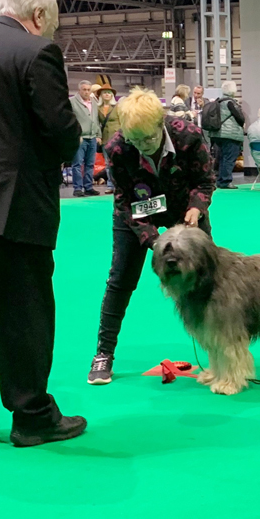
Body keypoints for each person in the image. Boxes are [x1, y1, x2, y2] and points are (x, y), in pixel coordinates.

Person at [0, 0, 87, 446]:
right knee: (24, 313)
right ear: (40, 16)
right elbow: (61, 132)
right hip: (13, 205)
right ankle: (32, 415)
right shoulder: (36, 53)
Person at [88, 88, 215, 385]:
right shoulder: (118, 147)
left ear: (161, 124)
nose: (143, 147)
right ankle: (103, 353)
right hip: (137, 213)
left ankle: (217, 353)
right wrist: (153, 240)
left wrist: (196, 208)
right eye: (136, 140)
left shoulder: (189, 136)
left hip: (185, 212)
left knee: (209, 276)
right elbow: (123, 200)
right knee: (120, 280)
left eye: (148, 139)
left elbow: (205, 181)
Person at [209, 80, 245, 190]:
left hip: (217, 134)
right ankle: (226, 181)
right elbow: (240, 118)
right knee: (229, 158)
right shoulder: (231, 102)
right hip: (230, 134)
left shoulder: (218, 101)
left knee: (221, 157)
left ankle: (219, 180)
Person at [70, 80, 101, 197]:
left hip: (92, 137)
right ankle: (77, 188)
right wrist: (75, 135)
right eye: (84, 89)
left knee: (90, 164)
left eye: (88, 90)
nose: (87, 92)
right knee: (77, 164)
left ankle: (88, 187)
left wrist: (98, 135)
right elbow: (70, 121)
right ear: (79, 90)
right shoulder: (72, 102)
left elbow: (96, 120)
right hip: (80, 138)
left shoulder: (94, 102)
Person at [96, 84, 120, 195]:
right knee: (107, 164)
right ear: (101, 95)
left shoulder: (117, 107)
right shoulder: (97, 108)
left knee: (118, 163)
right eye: (104, 92)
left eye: (109, 93)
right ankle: (110, 185)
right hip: (105, 139)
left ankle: (119, 185)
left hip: (117, 138)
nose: (107, 94)